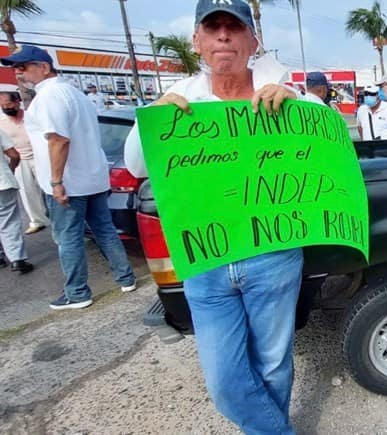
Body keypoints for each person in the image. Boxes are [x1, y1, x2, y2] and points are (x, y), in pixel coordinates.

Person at [123, 1, 305, 433]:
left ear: (252, 40)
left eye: (234, 26)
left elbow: (328, 144)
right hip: (205, 260)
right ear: (198, 41)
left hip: (273, 254)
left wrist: (297, 99)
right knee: (224, 379)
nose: (224, 35)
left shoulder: (279, 93)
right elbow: (135, 166)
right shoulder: (182, 97)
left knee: (274, 363)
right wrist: (154, 121)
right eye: (213, 27)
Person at [0, 45, 137, 310]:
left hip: (69, 182)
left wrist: (56, 181)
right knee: (105, 231)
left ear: (44, 67)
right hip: (93, 177)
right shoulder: (75, 93)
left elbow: (58, 139)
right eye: (16, 67)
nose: (18, 72)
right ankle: (126, 277)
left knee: (68, 238)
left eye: (23, 66)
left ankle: (77, 292)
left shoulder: (50, 96)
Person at [0, 91, 50, 234]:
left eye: (8, 104)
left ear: (17, 102)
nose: (5, 108)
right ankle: (38, 221)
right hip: (19, 160)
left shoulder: (31, 117)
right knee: (27, 192)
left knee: (48, 187)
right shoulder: (1, 122)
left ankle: (56, 215)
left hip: (39, 157)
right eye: (2, 105)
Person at [0, 128, 33, 273]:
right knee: (8, 221)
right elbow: (14, 154)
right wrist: (10, 170)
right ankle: (17, 259)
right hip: (3, 182)